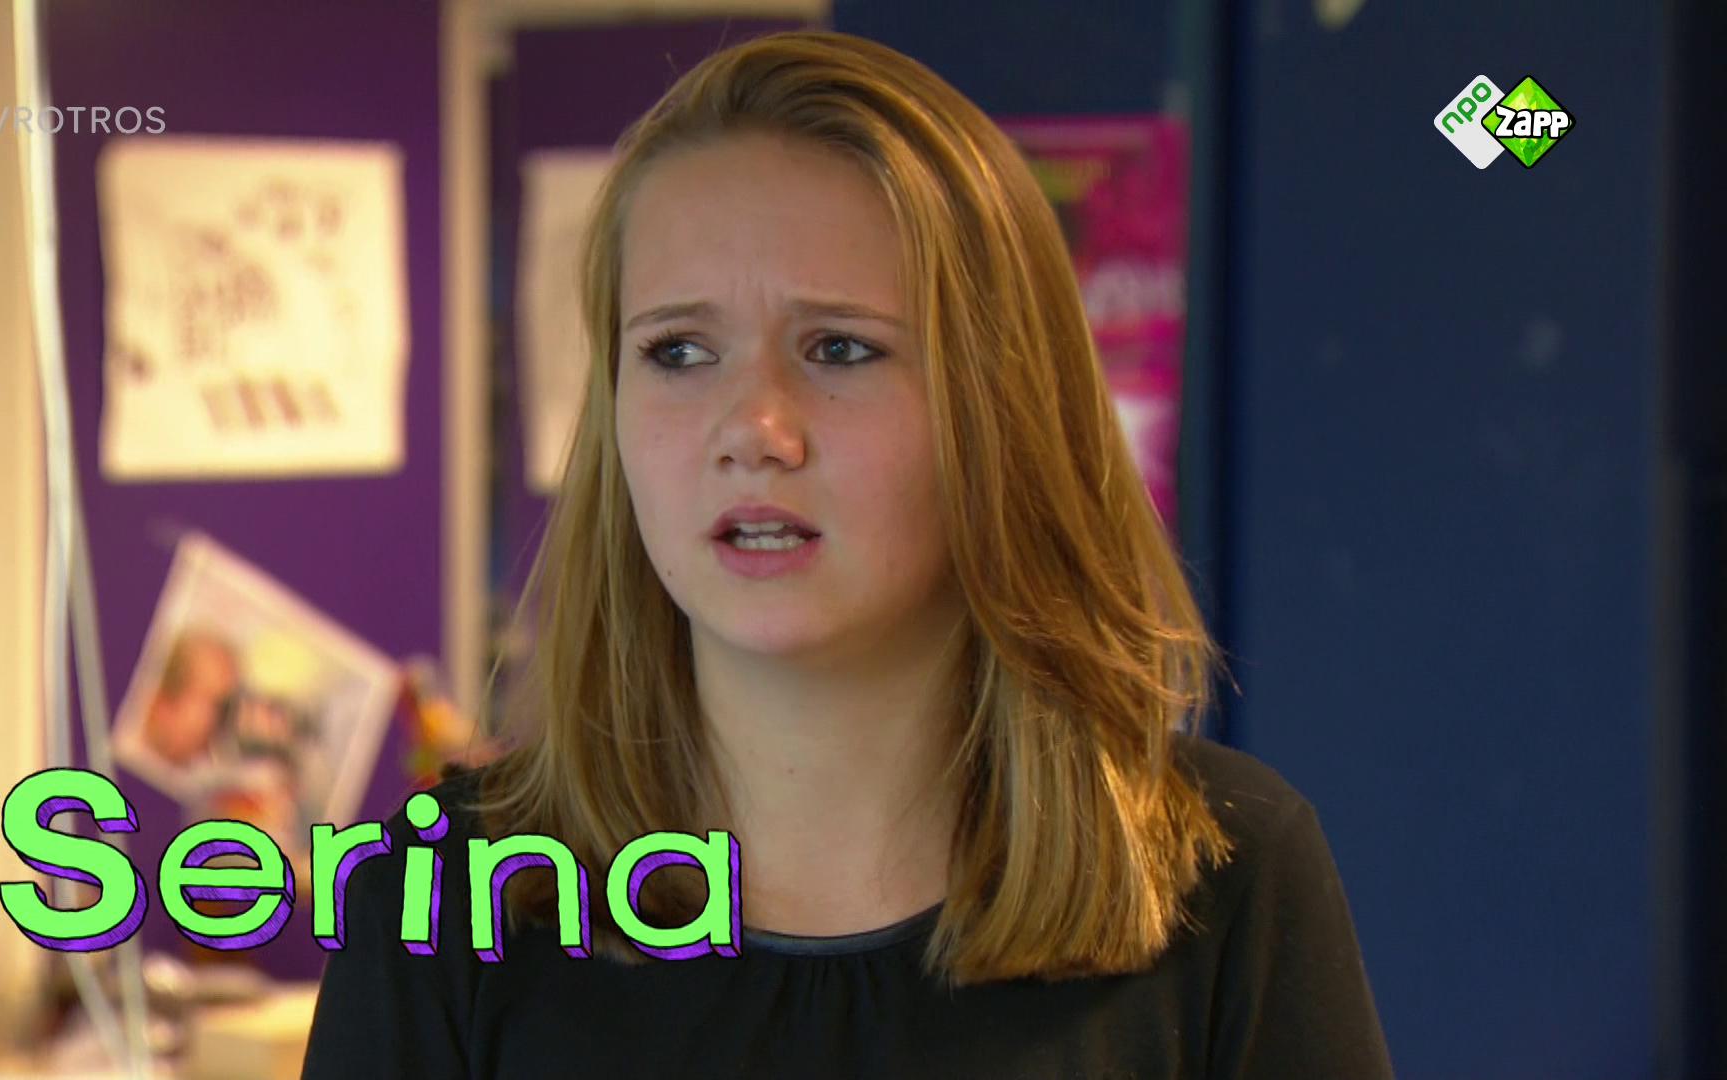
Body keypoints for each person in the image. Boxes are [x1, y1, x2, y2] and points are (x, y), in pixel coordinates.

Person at [303, 30, 1390, 1079]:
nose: (753, 430)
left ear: (999, 407)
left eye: (839, 348)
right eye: (678, 351)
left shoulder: (1223, 876)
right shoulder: (442, 900)